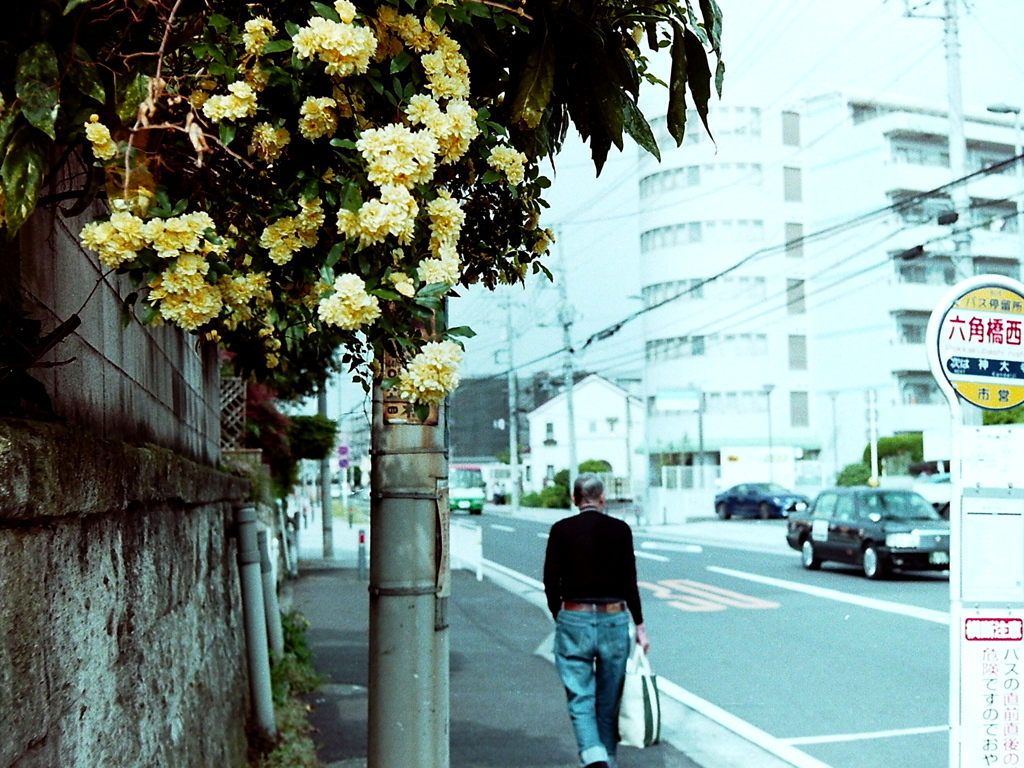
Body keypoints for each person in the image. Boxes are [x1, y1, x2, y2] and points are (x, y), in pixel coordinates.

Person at [543, 473, 650, 768]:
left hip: (573, 616)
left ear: (574, 500)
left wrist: (561, 614)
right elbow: (630, 581)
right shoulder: (620, 530)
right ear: (602, 498)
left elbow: (551, 581)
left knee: (580, 696)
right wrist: (639, 626)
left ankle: (593, 756)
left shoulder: (561, 530)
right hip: (614, 618)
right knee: (609, 697)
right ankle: (608, 760)